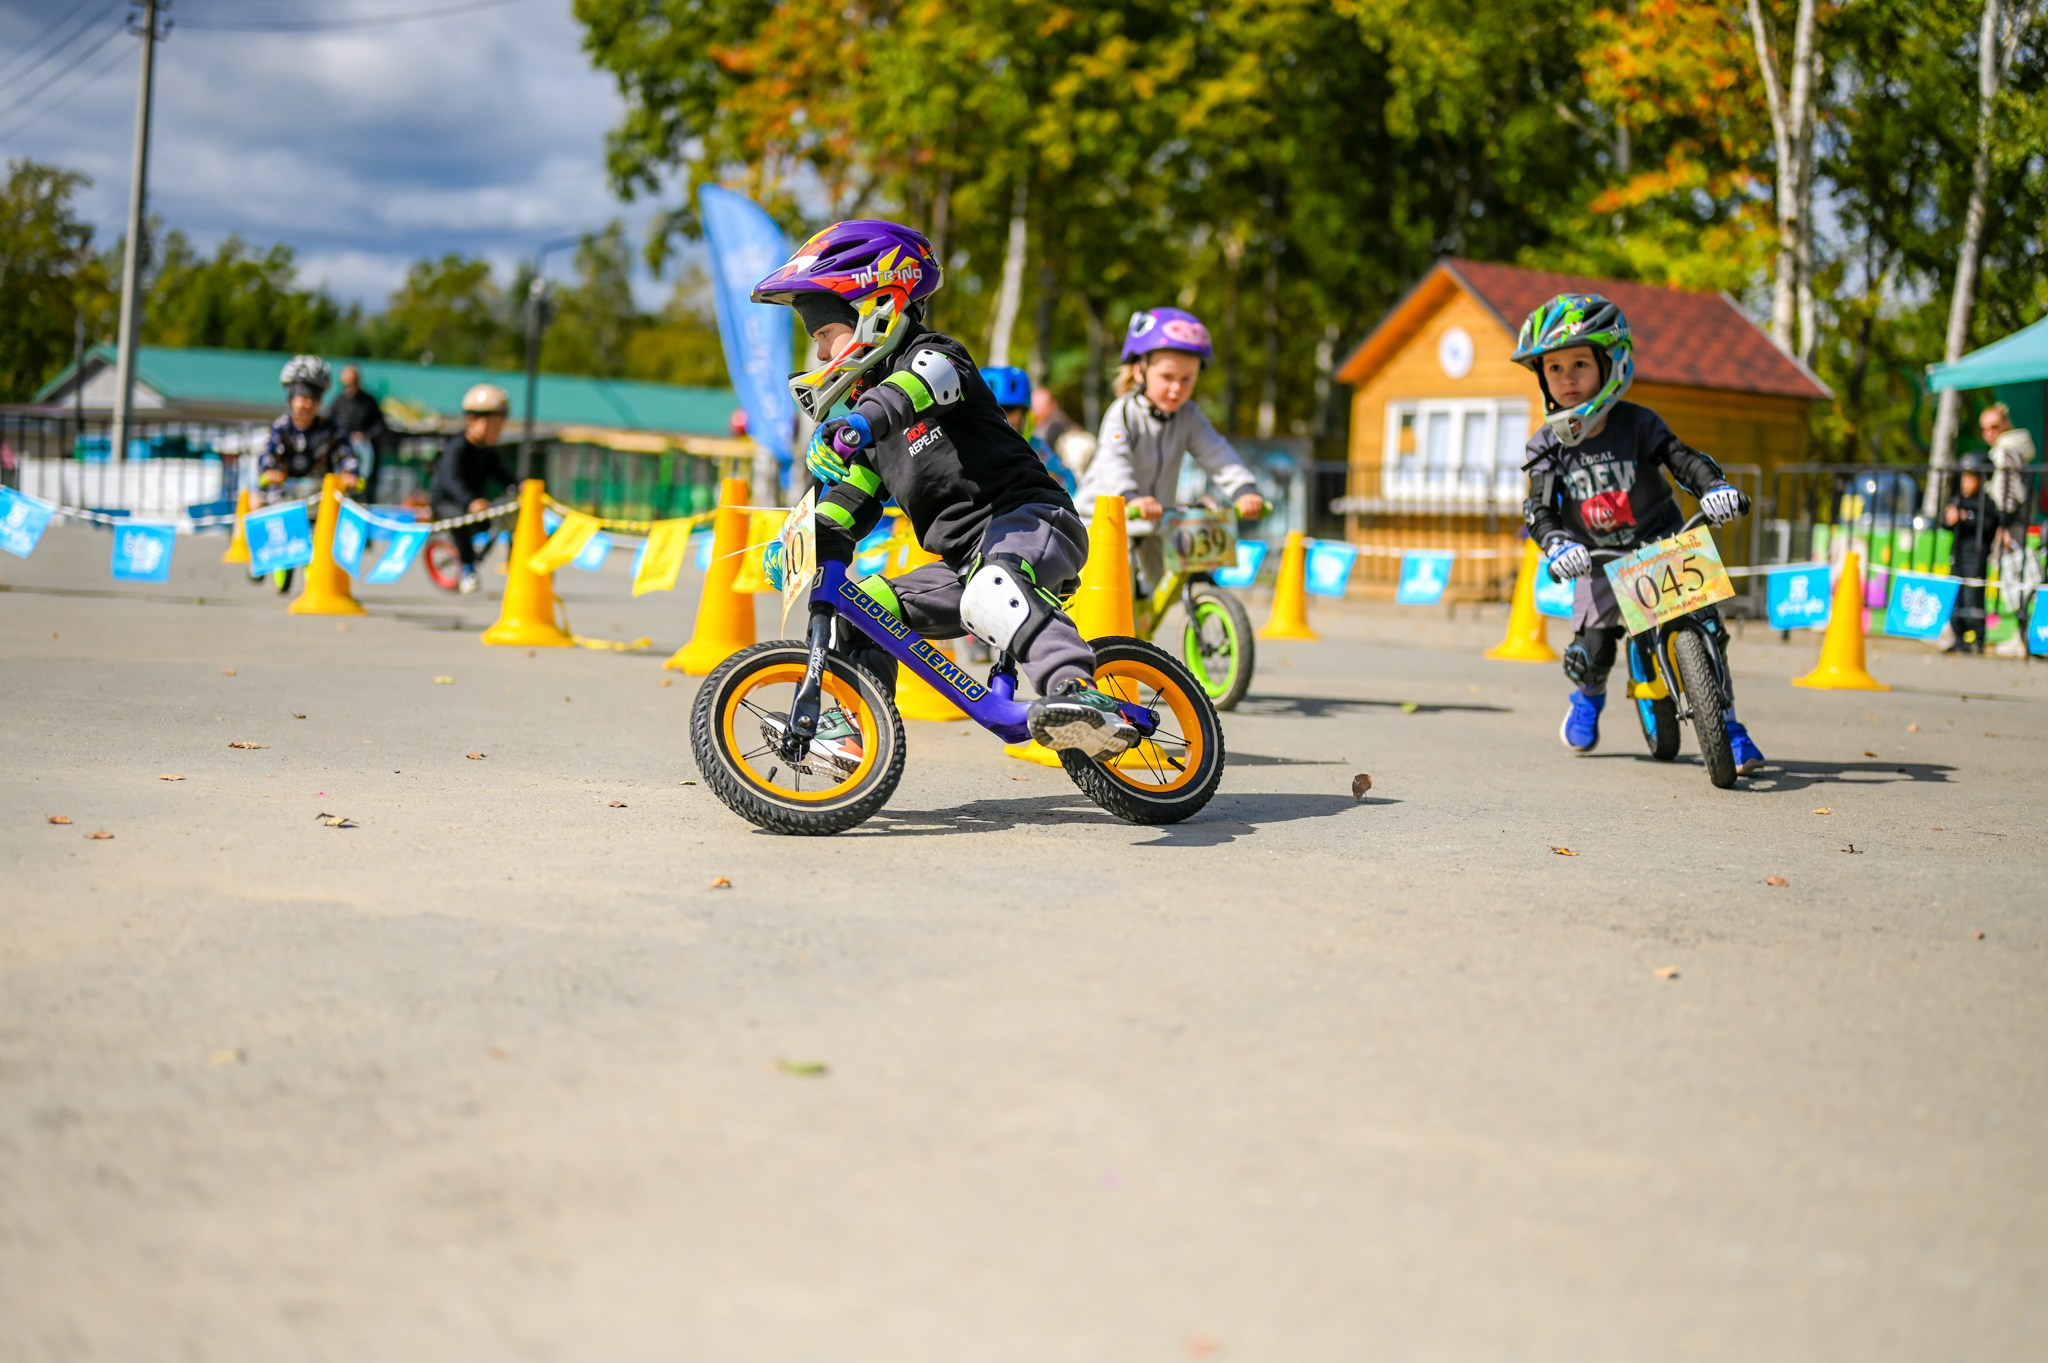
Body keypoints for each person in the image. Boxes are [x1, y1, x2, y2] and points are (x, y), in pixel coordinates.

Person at [752, 218, 1137, 760]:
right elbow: (851, 503)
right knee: (864, 610)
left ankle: (1078, 694)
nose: (818, 355)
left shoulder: (935, 358)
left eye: (822, 335)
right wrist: (807, 539)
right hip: (962, 564)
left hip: (1032, 522)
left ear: (874, 309)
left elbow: (911, 391)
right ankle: (852, 728)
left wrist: (858, 424)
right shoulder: (873, 440)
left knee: (992, 585)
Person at [1513, 293, 1765, 773]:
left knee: (1708, 628)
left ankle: (1730, 729)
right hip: (1595, 556)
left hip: (1663, 540)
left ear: (1611, 363)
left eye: (1580, 364)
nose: (1567, 378)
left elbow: (1683, 459)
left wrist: (1715, 488)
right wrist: (1557, 542)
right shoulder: (1546, 445)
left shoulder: (1638, 422)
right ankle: (1587, 700)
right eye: (1554, 368)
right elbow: (1539, 508)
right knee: (1593, 649)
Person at [1074, 307, 1264, 591]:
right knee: (1116, 597)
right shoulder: (1124, 413)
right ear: (1140, 370)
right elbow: (1116, 461)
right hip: (1105, 523)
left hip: (1155, 523)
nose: (1176, 389)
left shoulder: (1189, 417)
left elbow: (1217, 454)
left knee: (1163, 591)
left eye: (1187, 379)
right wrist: (1131, 497)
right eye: (1167, 377)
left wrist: (1243, 489)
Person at [428, 384, 514, 594]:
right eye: (493, 424)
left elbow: (502, 474)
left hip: (477, 505)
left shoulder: (487, 451)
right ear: (472, 420)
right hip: (448, 503)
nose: (497, 430)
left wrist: (519, 485)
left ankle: (516, 566)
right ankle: (467, 569)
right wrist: (471, 500)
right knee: (458, 519)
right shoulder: (458, 447)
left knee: (510, 515)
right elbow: (451, 480)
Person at [259, 355, 359, 502]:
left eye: (314, 398)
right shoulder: (280, 428)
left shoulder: (331, 430)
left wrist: (350, 473)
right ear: (291, 398)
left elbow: (347, 455)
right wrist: (269, 471)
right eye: (303, 397)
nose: (308, 404)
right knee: (254, 501)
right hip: (284, 501)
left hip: (322, 502)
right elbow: (268, 454)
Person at [1943, 453, 2007, 654]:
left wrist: (1967, 518)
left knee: (1973, 597)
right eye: (1964, 477)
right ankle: (1959, 636)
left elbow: (1989, 524)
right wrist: (1949, 518)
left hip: (1976, 556)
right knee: (1957, 597)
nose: (1966, 483)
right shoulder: (1958, 500)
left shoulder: (1986, 503)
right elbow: (1944, 523)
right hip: (1958, 555)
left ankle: (1978, 637)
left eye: (1971, 478)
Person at [981, 364, 1076, 492]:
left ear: (1025, 414)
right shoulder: (966, 448)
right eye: (996, 408)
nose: (1004, 417)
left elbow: (1068, 487)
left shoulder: (1037, 450)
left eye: (1010, 409)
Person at [327, 365, 390, 502]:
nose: (349, 387)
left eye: (352, 382)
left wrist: (365, 435)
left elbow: (380, 426)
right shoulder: (338, 401)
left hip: (365, 455)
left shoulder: (369, 402)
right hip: (343, 454)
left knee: (366, 491)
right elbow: (329, 425)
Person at [1979, 402, 2036, 526]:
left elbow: (2006, 489)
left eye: (1994, 427)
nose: (1989, 433)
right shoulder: (2010, 447)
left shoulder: (2005, 451)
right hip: (2017, 516)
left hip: (2011, 518)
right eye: (1984, 429)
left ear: (2005, 424)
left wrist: (2003, 524)